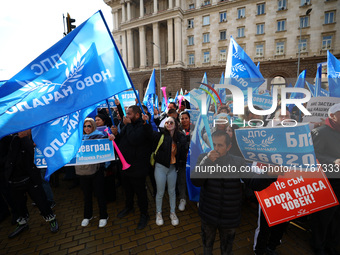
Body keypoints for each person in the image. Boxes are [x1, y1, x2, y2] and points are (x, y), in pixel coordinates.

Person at [191, 130, 279, 255]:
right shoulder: (204, 158)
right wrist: (207, 162)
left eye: (220, 145)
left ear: (228, 147)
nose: (216, 149)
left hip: (229, 217)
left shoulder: (238, 162)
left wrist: (269, 174)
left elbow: (253, 182)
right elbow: (196, 181)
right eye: (214, 145)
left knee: (227, 249)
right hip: (208, 214)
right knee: (207, 246)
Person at [5, 130, 59, 238]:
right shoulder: (5, 139)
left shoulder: (21, 137)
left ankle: (51, 218)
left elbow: (31, 152)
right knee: (19, 203)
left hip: (30, 177)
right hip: (13, 179)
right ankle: (23, 222)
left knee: (40, 200)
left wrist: (24, 138)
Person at [117, 105, 153, 230]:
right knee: (127, 189)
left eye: (129, 114)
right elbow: (123, 139)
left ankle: (144, 214)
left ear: (137, 115)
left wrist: (127, 125)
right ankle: (129, 206)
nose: (126, 116)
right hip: (125, 166)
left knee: (140, 193)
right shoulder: (129, 126)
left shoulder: (141, 126)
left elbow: (134, 139)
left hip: (138, 167)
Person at [311, 103, 340, 255]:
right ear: (332, 116)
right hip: (327, 180)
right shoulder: (320, 132)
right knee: (323, 217)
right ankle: (318, 246)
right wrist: (333, 160)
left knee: (336, 216)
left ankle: (331, 244)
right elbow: (313, 155)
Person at [153, 116, 188, 226]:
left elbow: (183, 151)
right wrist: (146, 122)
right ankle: (158, 213)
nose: (169, 124)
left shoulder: (180, 137)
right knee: (160, 192)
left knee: (172, 192)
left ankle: (172, 212)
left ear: (176, 124)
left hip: (172, 168)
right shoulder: (161, 136)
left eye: (171, 122)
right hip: (160, 168)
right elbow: (149, 134)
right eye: (167, 122)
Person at [75, 118, 109, 228]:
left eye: (89, 126)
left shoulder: (99, 136)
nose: (86, 128)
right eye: (84, 126)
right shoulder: (78, 139)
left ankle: (103, 216)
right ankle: (87, 216)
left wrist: (111, 138)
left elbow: (106, 149)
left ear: (93, 126)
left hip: (96, 171)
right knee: (86, 195)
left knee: (100, 194)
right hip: (83, 172)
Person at [178, 111, 191, 211]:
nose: (184, 120)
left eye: (186, 118)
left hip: (193, 159)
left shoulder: (195, 128)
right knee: (182, 180)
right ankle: (183, 199)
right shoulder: (177, 129)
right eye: (182, 118)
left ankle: (197, 198)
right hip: (182, 160)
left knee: (194, 180)